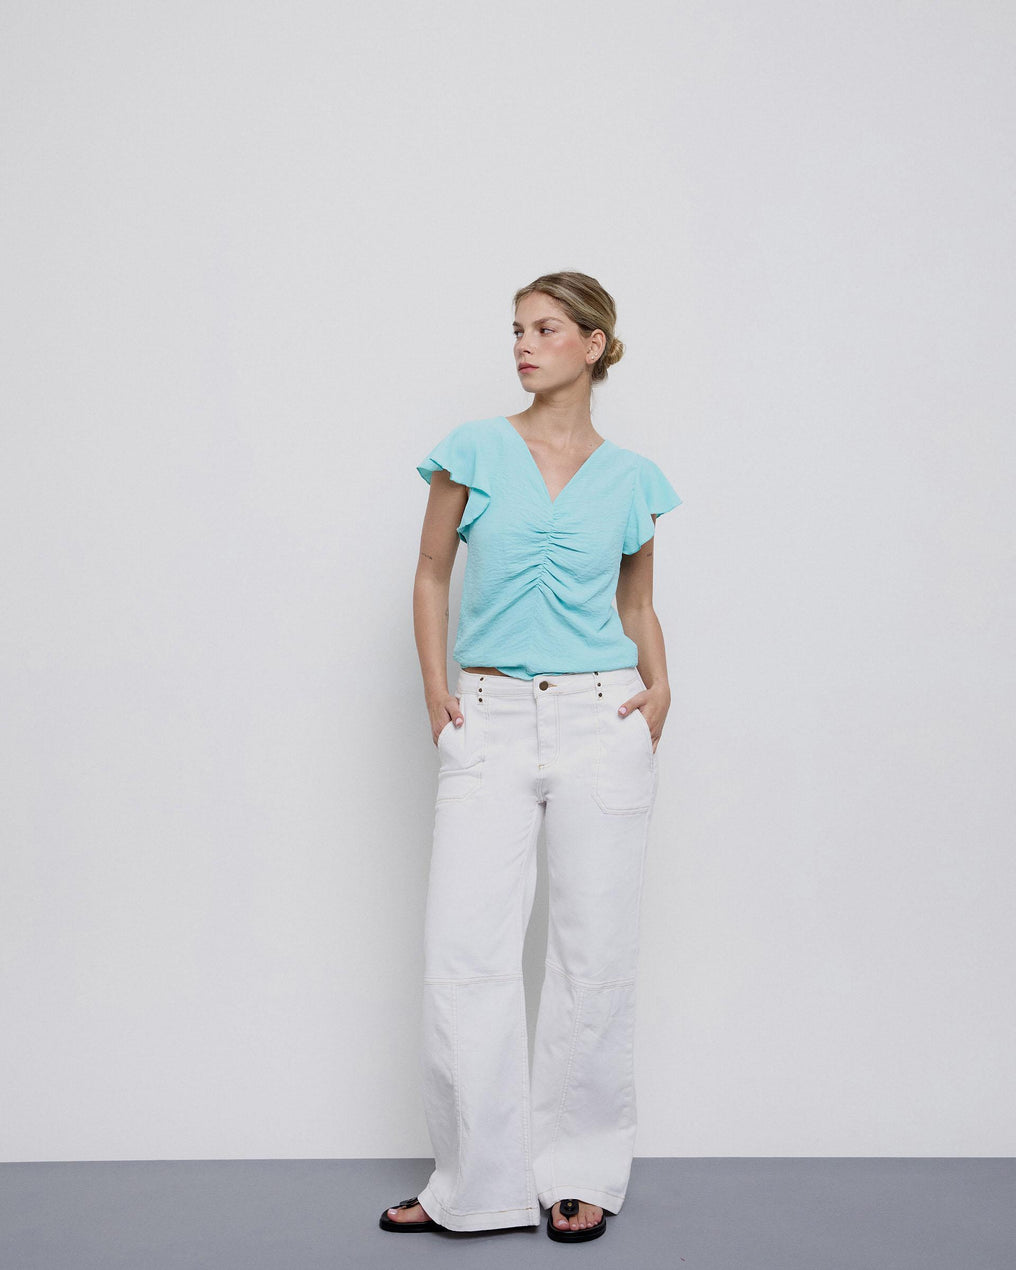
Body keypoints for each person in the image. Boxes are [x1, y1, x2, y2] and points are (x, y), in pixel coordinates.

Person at [379, 271, 682, 1243]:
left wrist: (660, 688)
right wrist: (436, 689)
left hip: (602, 717)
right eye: (516, 329)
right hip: (490, 718)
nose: (522, 344)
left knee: (594, 953)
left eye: (545, 329)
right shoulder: (472, 449)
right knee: (464, 953)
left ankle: (578, 1170)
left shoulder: (631, 476)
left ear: (592, 344)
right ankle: (474, 1182)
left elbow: (636, 603)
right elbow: (431, 572)